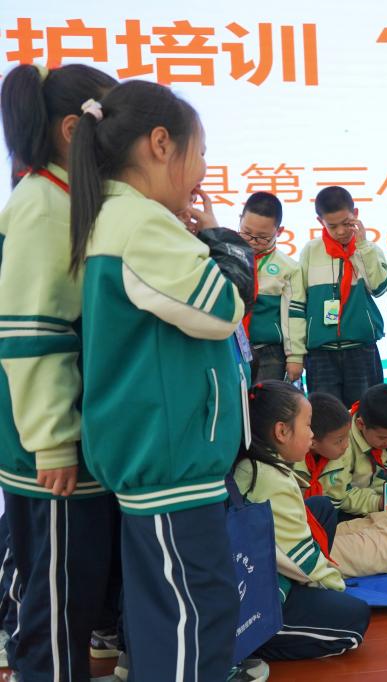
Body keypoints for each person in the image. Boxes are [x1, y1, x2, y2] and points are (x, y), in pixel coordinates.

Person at [68, 79, 255, 681]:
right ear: (159, 144)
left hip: (162, 453)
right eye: (200, 153)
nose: (201, 173)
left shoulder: (121, 217)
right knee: (190, 619)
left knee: (175, 616)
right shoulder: (140, 224)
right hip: (169, 457)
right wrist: (224, 242)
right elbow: (221, 307)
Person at [0, 62, 119, 682]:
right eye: (113, 126)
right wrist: (51, 441)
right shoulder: (43, 203)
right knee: (54, 609)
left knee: (73, 598)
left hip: (71, 444)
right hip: (51, 456)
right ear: (74, 130)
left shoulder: (65, 197)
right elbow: (33, 332)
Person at [233, 381, 371, 661]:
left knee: (322, 508)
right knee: (355, 619)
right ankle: (256, 640)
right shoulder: (271, 480)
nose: (312, 434)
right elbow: (301, 556)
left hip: (264, 565)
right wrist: (336, 588)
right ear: (281, 431)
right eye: (308, 425)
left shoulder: (259, 462)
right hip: (260, 594)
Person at [296, 186, 387, 406]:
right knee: (326, 417)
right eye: (332, 226)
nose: (340, 231)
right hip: (321, 353)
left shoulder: (369, 250)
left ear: (355, 214)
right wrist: (297, 352)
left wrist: (362, 247)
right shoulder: (310, 251)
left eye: (346, 223)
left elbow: (379, 288)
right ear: (320, 221)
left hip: (361, 349)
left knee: (366, 414)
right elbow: (298, 301)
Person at [237, 191, 305, 383]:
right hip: (230, 347)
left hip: (269, 353)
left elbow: (294, 315)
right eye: (246, 232)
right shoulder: (225, 257)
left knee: (267, 400)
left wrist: (295, 356)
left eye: (262, 237)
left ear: (279, 231)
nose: (253, 241)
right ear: (240, 219)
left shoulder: (289, 268)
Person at [324, 383, 387, 517]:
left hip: (373, 496)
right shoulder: (339, 445)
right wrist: (378, 502)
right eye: (382, 438)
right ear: (360, 424)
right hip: (346, 504)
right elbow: (339, 498)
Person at [293, 392, 352, 512]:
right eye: (339, 441)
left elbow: (342, 496)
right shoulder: (291, 462)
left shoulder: (341, 456)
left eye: (348, 436)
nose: (346, 445)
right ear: (312, 442)